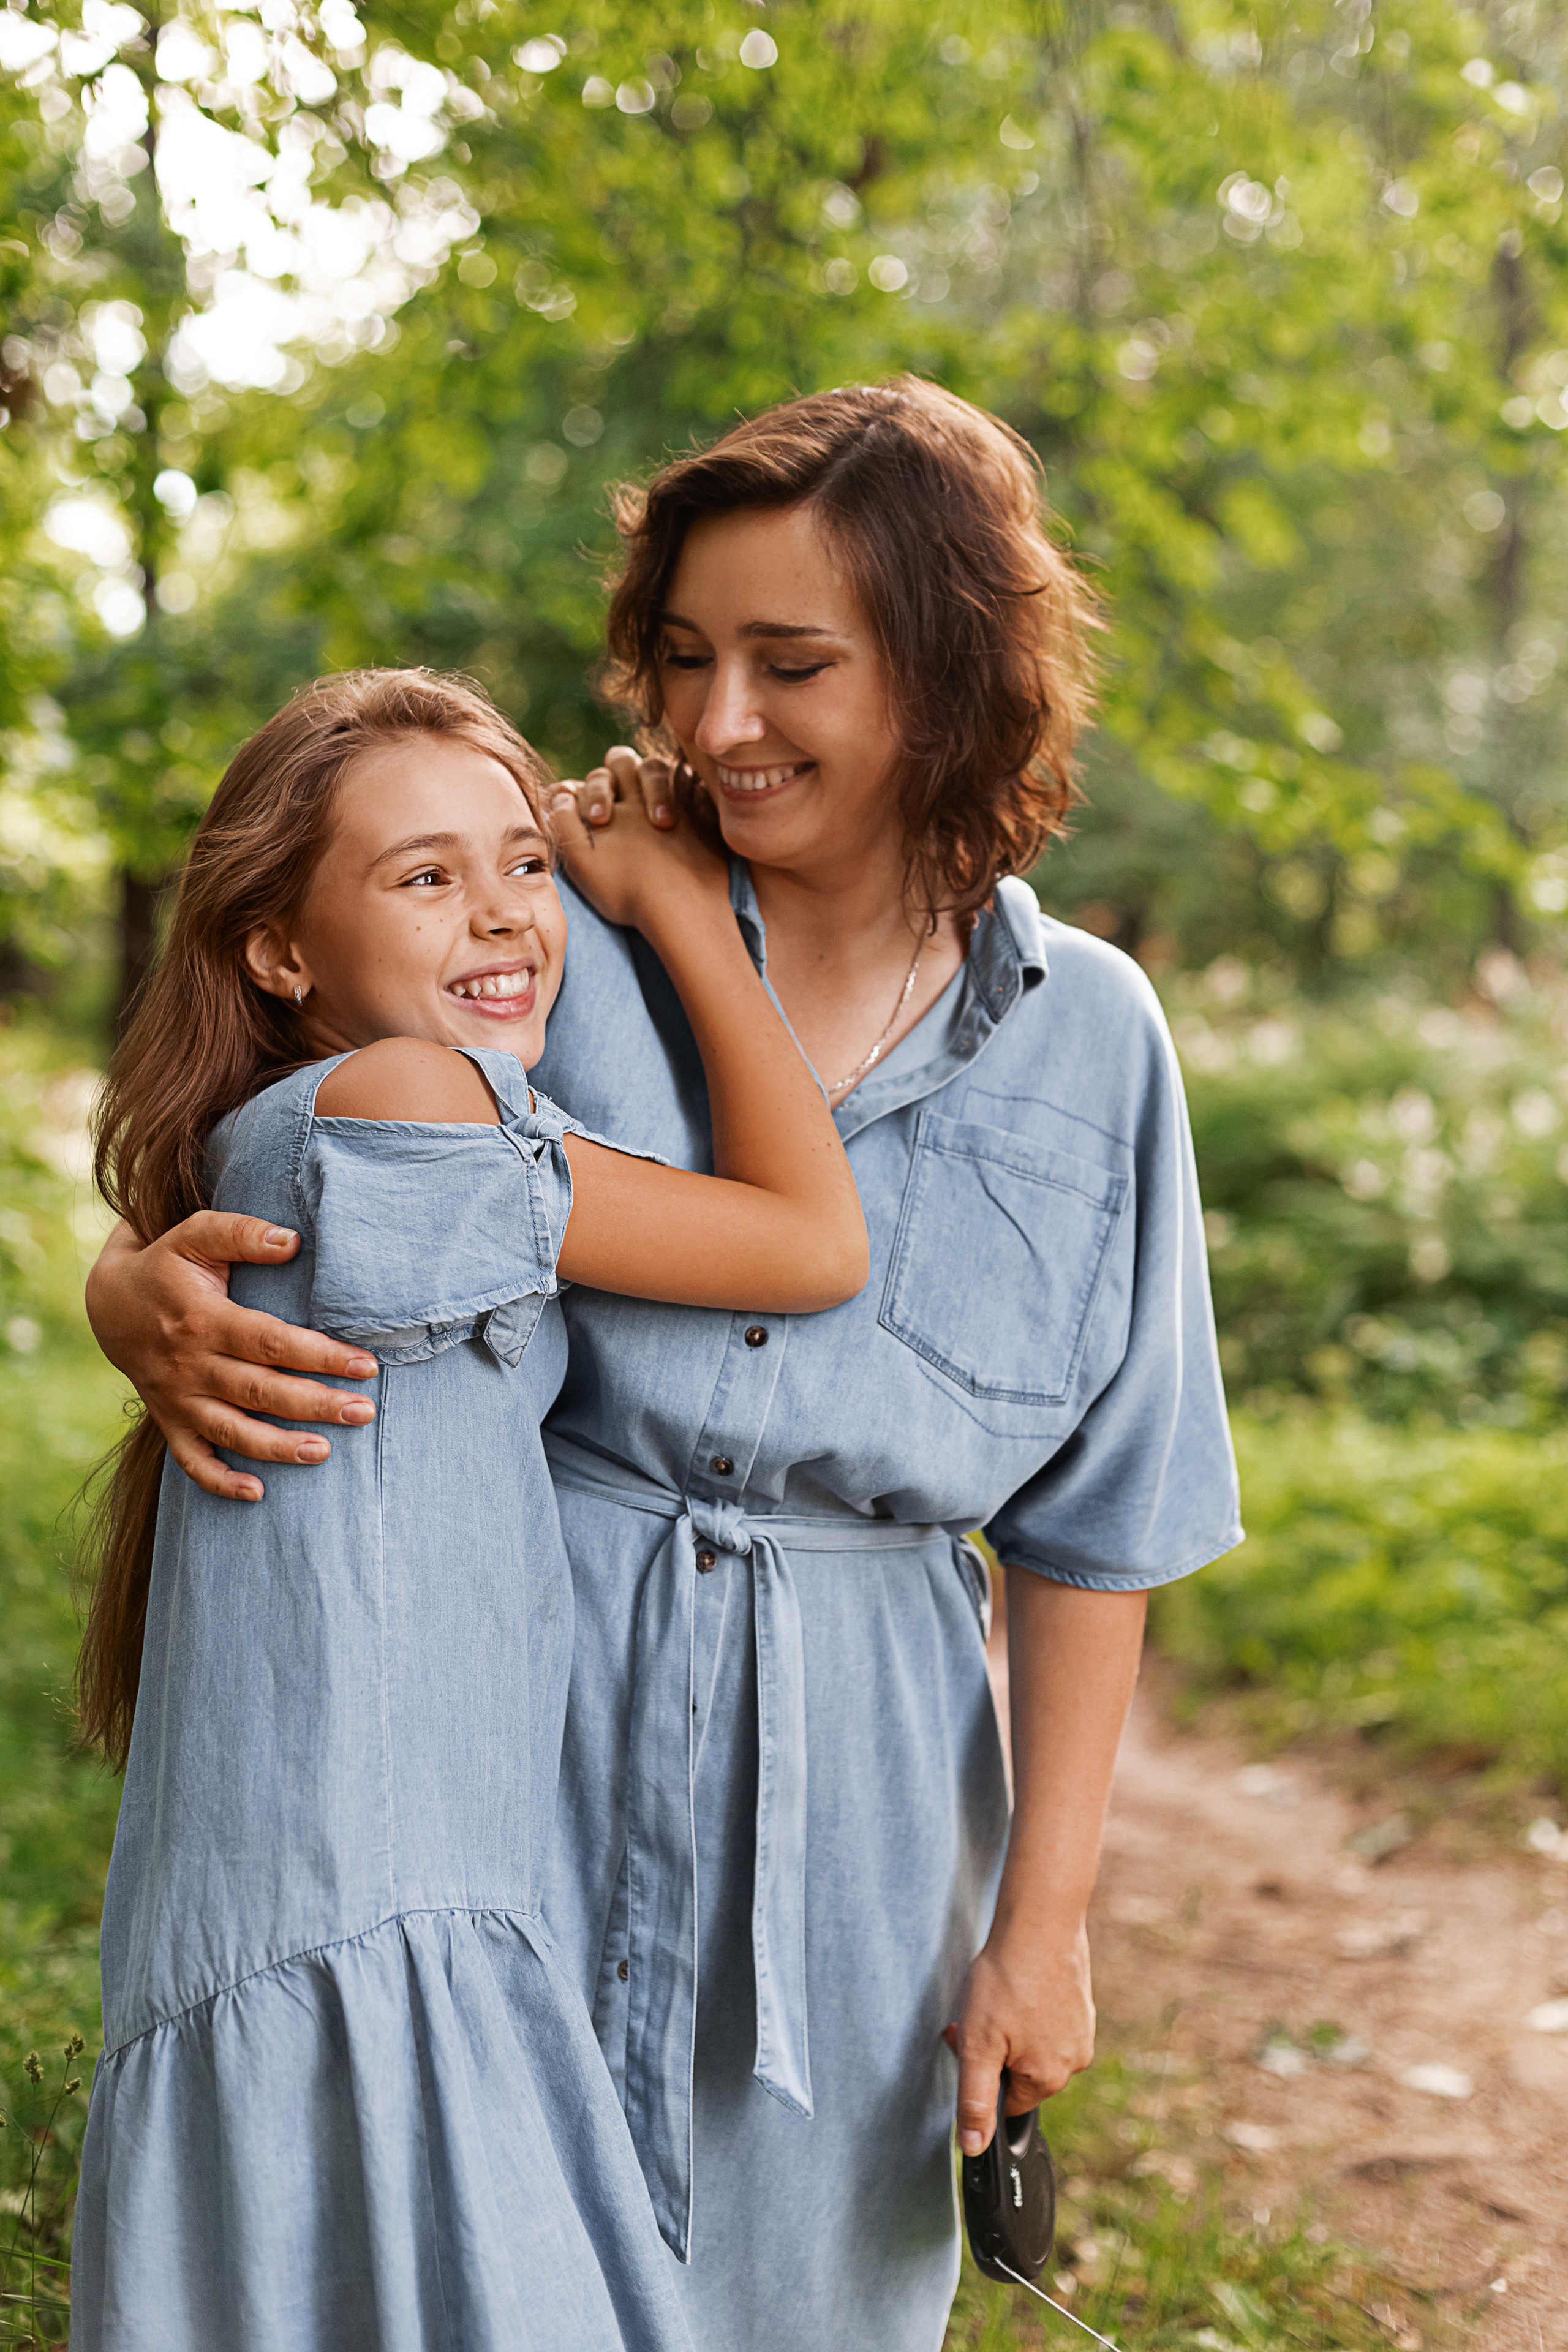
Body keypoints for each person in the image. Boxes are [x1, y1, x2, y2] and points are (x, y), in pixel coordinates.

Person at [84, 380, 1242, 2352]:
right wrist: (132, 1289)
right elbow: (279, 1105)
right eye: (687, 659)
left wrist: (1039, 1931)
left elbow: (1099, 1529)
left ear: (951, 683)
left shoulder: (1093, 1039)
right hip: (523, 1725)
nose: (714, 726)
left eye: (793, 665)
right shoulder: (552, 935)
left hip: (867, 1803)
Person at [69, 667, 866, 2352]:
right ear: (281, 952)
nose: (505, 914)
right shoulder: (417, 1108)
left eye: (525, 863)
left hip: (367, 1887)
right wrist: (677, 912)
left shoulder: (292, 1132)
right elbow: (811, 1244)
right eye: (424, 878)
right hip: (374, 1895)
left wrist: (110, 1282)